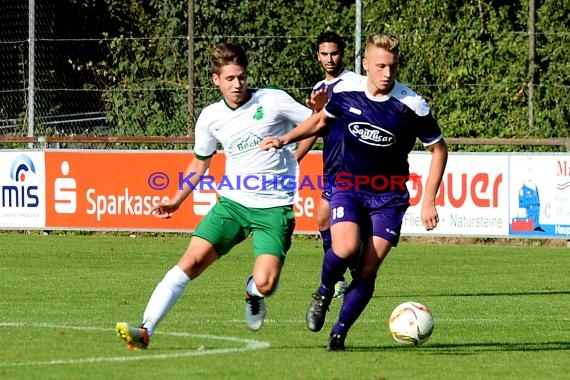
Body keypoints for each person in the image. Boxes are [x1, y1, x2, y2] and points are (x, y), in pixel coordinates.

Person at [115, 42, 316, 350]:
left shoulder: (273, 100)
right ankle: (145, 330)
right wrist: (176, 199)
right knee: (190, 262)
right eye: (230, 78)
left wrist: (293, 151)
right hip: (231, 205)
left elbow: (318, 122)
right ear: (216, 80)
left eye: (242, 77)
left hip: (274, 209)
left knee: (266, 283)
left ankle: (252, 291)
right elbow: (200, 162)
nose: (238, 84)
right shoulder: (210, 117)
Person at [261, 33, 448, 351]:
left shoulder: (411, 105)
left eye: (392, 66)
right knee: (345, 248)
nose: (387, 73)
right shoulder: (347, 92)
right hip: (348, 186)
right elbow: (320, 121)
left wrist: (429, 199)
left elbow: (439, 149)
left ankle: (339, 333)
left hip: (389, 196)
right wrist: (284, 139)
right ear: (366, 65)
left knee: (367, 270)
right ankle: (323, 291)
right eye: (380, 66)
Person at [295, 31, 363, 299]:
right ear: (317, 55)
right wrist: (294, 158)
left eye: (334, 53)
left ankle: (342, 279)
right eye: (324, 53)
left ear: (342, 54)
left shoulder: (356, 83)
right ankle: (349, 277)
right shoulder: (318, 89)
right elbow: (315, 128)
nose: (329, 58)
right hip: (331, 167)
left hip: (353, 167)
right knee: (324, 219)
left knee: (332, 220)